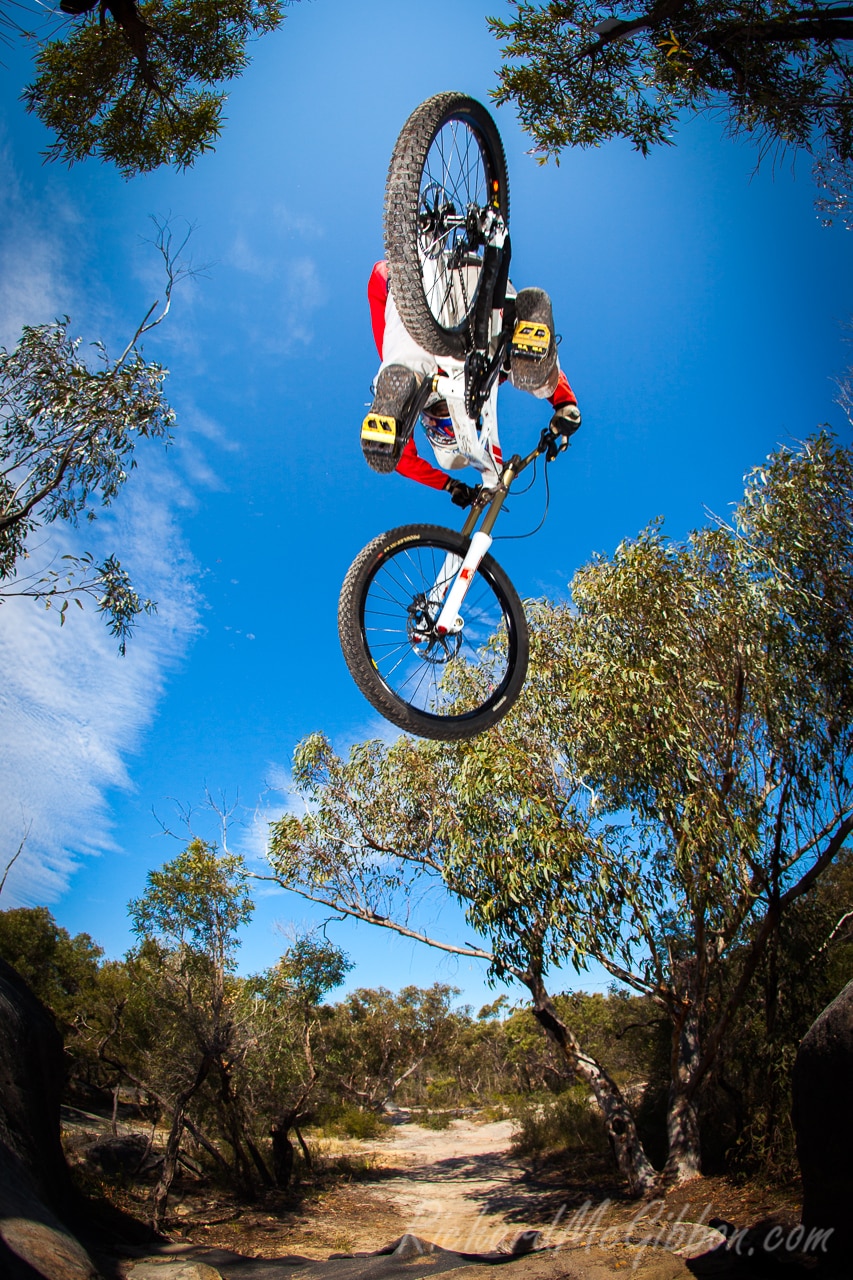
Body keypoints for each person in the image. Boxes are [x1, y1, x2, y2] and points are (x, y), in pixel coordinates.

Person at [362, 261, 580, 507]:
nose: (446, 406)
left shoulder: (417, 387)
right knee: (522, 371)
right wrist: (563, 400)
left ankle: (525, 330)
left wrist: (448, 484)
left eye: (442, 416)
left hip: (424, 292)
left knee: (410, 366)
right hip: (482, 292)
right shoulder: (484, 380)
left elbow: (401, 459)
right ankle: (527, 326)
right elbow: (399, 459)